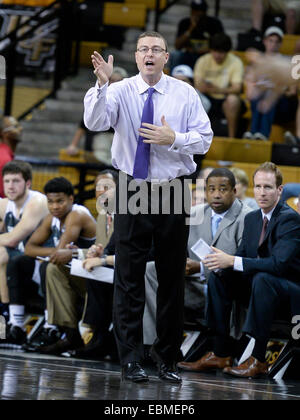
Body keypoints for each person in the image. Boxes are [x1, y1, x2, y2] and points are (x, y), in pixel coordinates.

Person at [83, 30, 213, 383]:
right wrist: (100, 86)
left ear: (166, 57)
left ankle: (167, 358)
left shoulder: (184, 93)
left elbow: (205, 138)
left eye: (157, 49)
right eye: (143, 49)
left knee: (171, 275)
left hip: (172, 187)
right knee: (129, 275)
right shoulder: (119, 90)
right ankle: (130, 358)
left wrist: (176, 139)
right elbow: (94, 122)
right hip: (131, 184)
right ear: (137, 57)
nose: (150, 54)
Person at [178, 162, 300, 379]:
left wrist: (232, 260)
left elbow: (278, 265)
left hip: (290, 289)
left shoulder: (290, 219)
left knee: (263, 278)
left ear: (279, 190)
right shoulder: (252, 218)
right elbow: (244, 254)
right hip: (261, 285)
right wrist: (220, 262)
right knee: (219, 276)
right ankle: (220, 352)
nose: (262, 192)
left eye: (268, 187)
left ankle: (259, 358)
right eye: (259, 186)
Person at [144, 168, 252, 348]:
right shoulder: (193, 214)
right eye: (211, 189)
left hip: (228, 290)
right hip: (193, 287)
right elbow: (169, 247)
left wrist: (200, 267)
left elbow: (242, 262)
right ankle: (151, 343)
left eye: (223, 189)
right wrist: (178, 263)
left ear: (234, 191)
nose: (216, 194)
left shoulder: (247, 217)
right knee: (151, 270)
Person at [2, 176, 96, 347]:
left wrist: (53, 254)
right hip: (64, 274)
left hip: (89, 279)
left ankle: (51, 327)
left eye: (59, 201)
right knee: (18, 263)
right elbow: (30, 248)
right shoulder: (51, 218)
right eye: (50, 202)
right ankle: (16, 326)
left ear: (71, 199)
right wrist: (53, 252)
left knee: (49, 266)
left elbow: (58, 254)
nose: (54, 206)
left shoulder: (77, 214)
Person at [0, 161, 49, 321]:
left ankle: (6, 315)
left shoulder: (37, 203)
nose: (10, 186)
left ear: (28, 183)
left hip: (44, 269)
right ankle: (6, 318)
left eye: (16, 181)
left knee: (2, 255)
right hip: (19, 268)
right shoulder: (5, 204)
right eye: (7, 181)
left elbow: (13, 240)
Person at [243, 26, 298, 140]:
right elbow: (251, 91)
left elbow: (292, 91)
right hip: (262, 99)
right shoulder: (257, 63)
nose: (273, 44)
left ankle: (261, 133)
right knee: (261, 95)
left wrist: (272, 92)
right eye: (270, 40)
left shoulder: (286, 62)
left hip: (282, 103)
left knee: (267, 93)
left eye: (277, 42)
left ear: (281, 44)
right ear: (264, 41)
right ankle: (254, 134)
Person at [66, 67, 129, 162]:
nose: (114, 84)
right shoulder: (98, 98)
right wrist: (73, 145)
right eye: (112, 80)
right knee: (103, 144)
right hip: (98, 141)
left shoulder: (129, 101)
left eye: (118, 81)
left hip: (118, 142)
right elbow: (83, 126)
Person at [194, 33, 244, 138]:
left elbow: (237, 88)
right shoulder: (203, 60)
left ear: (227, 52)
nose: (217, 55)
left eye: (221, 52)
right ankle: (195, 137)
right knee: (194, 97)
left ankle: (231, 138)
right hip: (207, 97)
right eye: (215, 51)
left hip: (224, 99)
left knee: (233, 100)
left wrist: (217, 90)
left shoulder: (236, 62)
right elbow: (198, 85)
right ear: (210, 50)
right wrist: (208, 88)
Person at [169, 0, 224, 72]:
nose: (198, 13)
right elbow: (177, 46)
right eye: (195, 10)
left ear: (205, 11)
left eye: (201, 10)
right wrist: (191, 28)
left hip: (208, 55)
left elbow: (222, 44)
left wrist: (206, 50)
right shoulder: (185, 23)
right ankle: (173, 81)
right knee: (175, 55)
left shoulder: (214, 23)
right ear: (191, 11)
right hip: (189, 55)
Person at [0, 116, 22, 198]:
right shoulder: (5, 159)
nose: (20, 129)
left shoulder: (5, 155)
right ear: (4, 133)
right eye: (15, 127)